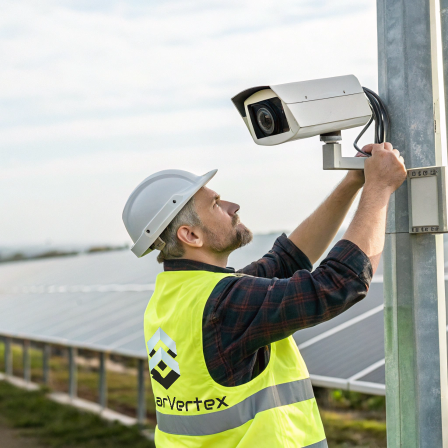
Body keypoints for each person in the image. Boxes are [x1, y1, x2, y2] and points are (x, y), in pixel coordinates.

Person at [122, 142, 406, 448]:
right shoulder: (223, 303)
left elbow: (285, 261)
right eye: (216, 204)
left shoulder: (179, 298)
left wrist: (353, 182)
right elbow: (340, 283)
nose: (233, 206)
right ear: (191, 235)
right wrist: (380, 188)